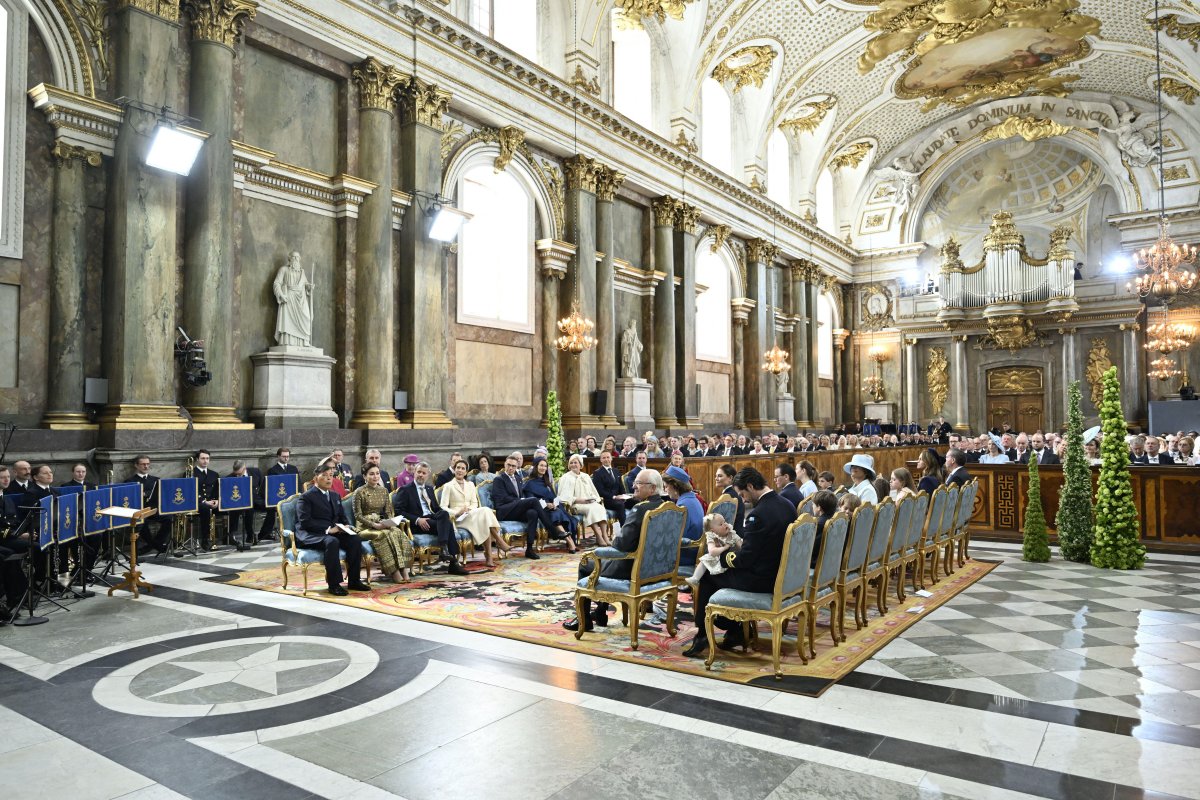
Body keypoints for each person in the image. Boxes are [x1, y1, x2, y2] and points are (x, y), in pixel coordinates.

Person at [684, 468, 793, 658]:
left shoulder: (758, 514)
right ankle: (735, 631)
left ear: (751, 486)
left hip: (762, 579)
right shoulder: (787, 505)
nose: (743, 499)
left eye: (743, 494)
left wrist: (721, 557)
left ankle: (703, 634)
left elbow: (745, 559)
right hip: (785, 575)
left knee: (709, 574)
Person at [562, 469, 664, 632]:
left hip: (632, 569)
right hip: (658, 569)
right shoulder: (667, 507)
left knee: (587, 563)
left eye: (638, 483)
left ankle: (584, 619)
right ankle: (601, 612)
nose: (634, 486)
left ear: (652, 488)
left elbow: (621, 545)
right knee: (604, 565)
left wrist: (616, 536)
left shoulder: (640, 510)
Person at [296, 465, 369, 595]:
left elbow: (342, 516)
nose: (328, 478)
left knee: (354, 539)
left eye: (330, 475)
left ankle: (354, 581)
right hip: (312, 534)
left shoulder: (335, 495)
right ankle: (334, 585)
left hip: (334, 531)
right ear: (315, 479)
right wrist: (328, 530)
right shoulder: (306, 497)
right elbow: (305, 522)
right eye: (324, 475)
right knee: (332, 542)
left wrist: (346, 526)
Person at [393, 461, 467, 575]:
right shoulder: (405, 489)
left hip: (431, 518)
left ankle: (444, 548)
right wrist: (417, 520)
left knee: (444, 515)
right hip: (417, 523)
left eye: (424, 473)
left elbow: (436, 509)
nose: (421, 475)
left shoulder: (429, 489)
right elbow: (398, 512)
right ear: (414, 473)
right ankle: (453, 562)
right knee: (446, 524)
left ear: (427, 475)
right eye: (419, 472)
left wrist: (447, 514)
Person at [440, 459, 508, 567]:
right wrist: (458, 512)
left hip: (471, 514)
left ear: (466, 472)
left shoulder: (470, 484)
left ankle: (490, 556)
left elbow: (475, 503)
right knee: (485, 511)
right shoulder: (448, 486)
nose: (460, 470)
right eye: (458, 468)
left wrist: (469, 510)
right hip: (458, 518)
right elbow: (443, 507)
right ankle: (498, 542)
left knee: (484, 514)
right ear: (454, 469)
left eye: (463, 468)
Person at [352, 465, 414, 582]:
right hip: (364, 527)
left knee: (397, 532)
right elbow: (357, 515)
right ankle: (394, 573)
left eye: (377, 473)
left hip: (381, 524)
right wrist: (374, 525)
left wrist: (390, 522)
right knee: (384, 535)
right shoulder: (359, 492)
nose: (375, 476)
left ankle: (404, 571)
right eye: (371, 474)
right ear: (365, 476)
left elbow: (388, 512)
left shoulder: (384, 491)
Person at [491, 454, 556, 559]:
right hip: (504, 511)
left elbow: (520, 496)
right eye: (509, 465)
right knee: (534, 500)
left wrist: (521, 501)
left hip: (516, 510)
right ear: (504, 465)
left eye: (513, 466)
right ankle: (552, 530)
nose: (511, 468)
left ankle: (529, 549)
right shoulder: (499, 479)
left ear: (517, 467)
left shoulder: (518, 478)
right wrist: (520, 501)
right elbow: (501, 499)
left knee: (533, 513)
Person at [523, 457, 577, 551]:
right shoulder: (529, 483)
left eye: (545, 466)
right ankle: (570, 542)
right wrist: (546, 505)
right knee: (555, 514)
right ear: (536, 467)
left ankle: (569, 540)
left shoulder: (546, 482)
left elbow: (554, 497)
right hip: (540, 510)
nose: (543, 468)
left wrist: (554, 504)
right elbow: (530, 499)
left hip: (553, 508)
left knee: (565, 515)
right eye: (541, 465)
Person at [557, 454, 610, 547]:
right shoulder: (566, 477)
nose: (573, 465)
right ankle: (598, 536)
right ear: (569, 465)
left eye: (575, 463)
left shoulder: (585, 476)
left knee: (600, 508)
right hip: (575, 505)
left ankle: (605, 536)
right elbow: (564, 497)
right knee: (591, 509)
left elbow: (593, 491)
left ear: (580, 464)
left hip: (588, 502)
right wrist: (581, 500)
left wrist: (592, 499)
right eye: (571, 463)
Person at [686, 512, 743, 588]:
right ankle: (695, 578)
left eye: (725, 522)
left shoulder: (731, 534)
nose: (725, 524)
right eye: (721, 524)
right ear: (713, 531)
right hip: (717, 558)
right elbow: (712, 552)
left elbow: (743, 548)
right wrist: (725, 547)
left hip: (730, 560)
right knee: (705, 559)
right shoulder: (712, 536)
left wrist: (738, 541)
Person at [662, 465, 704, 568]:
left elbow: (676, 537)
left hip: (684, 556)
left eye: (666, 486)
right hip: (694, 551)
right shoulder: (693, 499)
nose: (665, 490)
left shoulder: (682, 506)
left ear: (675, 486)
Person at [130, 455, 171, 555]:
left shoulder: (156, 480)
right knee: (141, 521)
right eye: (143, 464)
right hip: (140, 511)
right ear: (136, 465)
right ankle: (156, 545)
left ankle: (152, 545)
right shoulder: (130, 481)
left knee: (169, 518)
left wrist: (146, 493)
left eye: (148, 464)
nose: (146, 466)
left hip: (154, 510)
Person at [272, 250, 313, 347]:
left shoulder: (302, 272)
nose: (296, 259)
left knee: (306, 316)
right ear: (289, 259)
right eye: (294, 257)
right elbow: (277, 283)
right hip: (289, 297)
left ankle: (304, 341)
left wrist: (309, 287)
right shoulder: (284, 270)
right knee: (288, 321)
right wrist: (281, 294)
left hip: (301, 298)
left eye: (297, 257)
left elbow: (305, 284)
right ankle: (287, 341)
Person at [262, 447, 299, 542]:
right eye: (284, 456)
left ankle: (297, 531)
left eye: (288, 456)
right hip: (278, 499)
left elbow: (298, 483)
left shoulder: (293, 468)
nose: (286, 458)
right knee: (270, 511)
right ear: (278, 456)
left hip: (291, 498)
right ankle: (265, 533)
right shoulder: (273, 470)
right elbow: (270, 487)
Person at [226, 460, 257, 551]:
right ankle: (232, 534)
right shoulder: (229, 477)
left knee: (250, 508)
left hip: (254, 499)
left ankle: (250, 534)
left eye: (240, 473)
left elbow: (261, 486)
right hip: (238, 501)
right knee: (235, 509)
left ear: (244, 468)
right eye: (237, 474)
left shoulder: (255, 473)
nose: (238, 475)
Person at [193, 449, 221, 550]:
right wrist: (204, 501)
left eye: (207, 458)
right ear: (197, 460)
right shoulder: (190, 473)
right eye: (203, 458)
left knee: (230, 506)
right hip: (199, 503)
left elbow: (218, 490)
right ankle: (205, 540)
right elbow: (191, 492)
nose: (205, 461)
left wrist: (217, 500)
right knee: (204, 509)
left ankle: (230, 535)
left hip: (213, 502)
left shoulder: (214, 474)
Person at [591, 450, 626, 525]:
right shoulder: (597, 473)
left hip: (618, 498)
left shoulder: (616, 470)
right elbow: (600, 491)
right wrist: (614, 497)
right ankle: (624, 529)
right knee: (620, 505)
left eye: (608, 457)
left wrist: (624, 495)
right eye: (604, 458)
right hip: (607, 500)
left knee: (634, 501)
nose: (606, 459)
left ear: (611, 458)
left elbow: (620, 486)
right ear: (600, 460)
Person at [809, 490, 838, 567]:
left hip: (818, 564)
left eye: (813, 504)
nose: (812, 507)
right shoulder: (839, 520)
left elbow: (811, 549)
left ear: (819, 507)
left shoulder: (818, 524)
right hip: (834, 561)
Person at [714, 463, 744, 532]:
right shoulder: (734, 492)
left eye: (720, 476)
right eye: (716, 476)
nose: (716, 478)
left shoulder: (727, 496)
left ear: (730, 478)